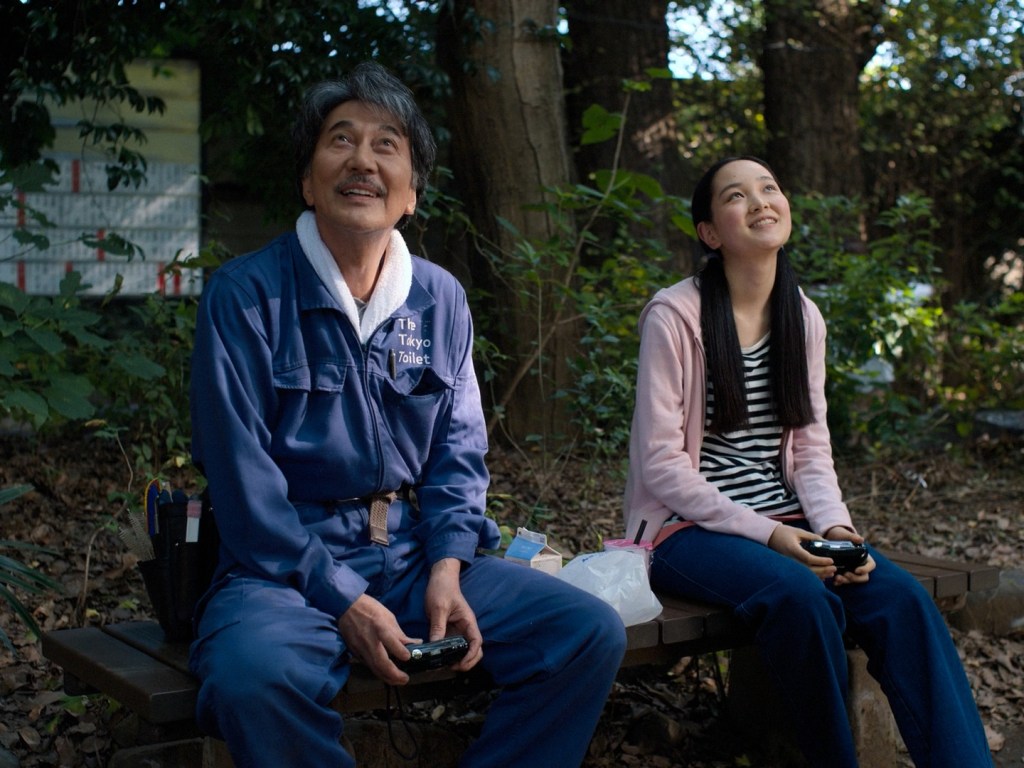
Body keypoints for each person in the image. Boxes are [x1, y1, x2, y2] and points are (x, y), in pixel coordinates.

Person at [188, 61, 626, 768]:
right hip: (283, 571)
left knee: (586, 632)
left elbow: (459, 454)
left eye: (387, 144)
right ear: (307, 180)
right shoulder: (245, 296)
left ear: (412, 193)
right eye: (341, 140)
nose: (363, 159)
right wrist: (344, 601)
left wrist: (448, 566)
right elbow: (242, 487)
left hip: (412, 553)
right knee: (252, 678)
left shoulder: (439, 298)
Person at [623, 156, 992, 767]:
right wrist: (774, 536)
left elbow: (812, 451)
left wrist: (837, 529)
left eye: (769, 188)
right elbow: (662, 466)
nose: (761, 200)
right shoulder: (676, 315)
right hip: (684, 532)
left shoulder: (803, 316)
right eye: (737, 195)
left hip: (788, 520)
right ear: (710, 233)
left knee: (900, 599)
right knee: (801, 598)